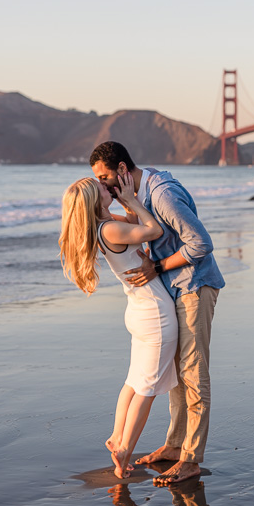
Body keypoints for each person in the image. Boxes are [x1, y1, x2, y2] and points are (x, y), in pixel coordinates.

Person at [89, 141, 225, 485]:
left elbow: (201, 244)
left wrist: (158, 266)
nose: (103, 186)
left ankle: (191, 459)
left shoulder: (162, 194)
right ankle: (175, 446)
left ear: (122, 169)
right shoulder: (135, 195)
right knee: (177, 375)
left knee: (193, 375)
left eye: (105, 178)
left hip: (194, 286)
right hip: (173, 288)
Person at [59, 172, 178, 480]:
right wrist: (132, 200)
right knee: (147, 388)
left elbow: (136, 229)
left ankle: (116, 437)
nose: (108, 187)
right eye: (102, 187)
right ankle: (124, 449)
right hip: (154, 314)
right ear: (94, 200)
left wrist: (126, 205)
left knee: (134, 381)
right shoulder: (110, 228)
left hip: (140, 312)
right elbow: (154, 230)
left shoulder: (104, 226)